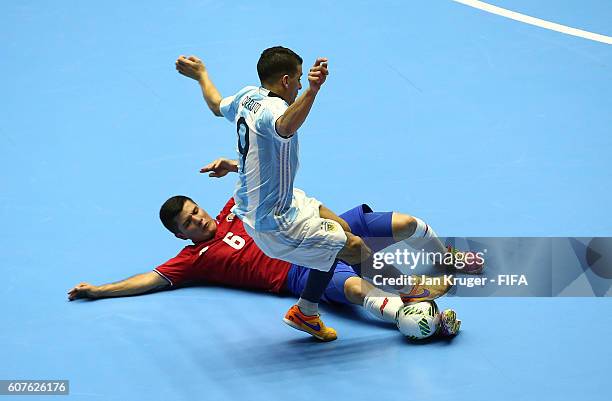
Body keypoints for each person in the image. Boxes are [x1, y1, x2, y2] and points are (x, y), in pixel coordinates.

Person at [175, 46, 375, 341]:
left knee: (338, 230)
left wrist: (202, 75)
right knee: (354, 246)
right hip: (276, 221)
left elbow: (216, 104)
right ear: (284, 80)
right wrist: (313, 90)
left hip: (265, 207)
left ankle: (306, 311)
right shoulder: (275, 109)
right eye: (296, 80)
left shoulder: (246, 97)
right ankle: (408, 293)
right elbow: (285, 125)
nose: (297, 86)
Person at [68, 191, 463, 338]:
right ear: (180, 235)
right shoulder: (193, 260)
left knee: (406, 223)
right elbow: (150, 279)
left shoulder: (232, 208)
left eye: (195, 210)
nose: (198, 219)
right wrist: (99, 290)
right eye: (189, 222)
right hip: (297, 270)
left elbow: (258, 177)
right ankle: (415, 318)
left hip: (320, 227)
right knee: (356, 289)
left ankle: (444, 258)